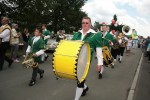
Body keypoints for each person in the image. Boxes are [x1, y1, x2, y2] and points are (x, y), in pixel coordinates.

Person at [72, 17, 103, 100]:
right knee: (77, 78)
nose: (84, 24)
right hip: (75, 60)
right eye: (83, 23)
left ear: (90, 24)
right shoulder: (77, 34)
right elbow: (71, 46)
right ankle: (85, 88)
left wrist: (100, 63)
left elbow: (99, 49)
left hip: (86, 62)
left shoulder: (95, 35)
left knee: (80, 81)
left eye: (86, 23)